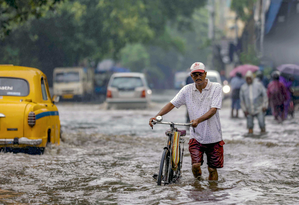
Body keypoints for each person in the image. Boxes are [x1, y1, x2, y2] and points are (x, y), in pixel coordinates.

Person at [149, 62, 224, 181]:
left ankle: (212, 193)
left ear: (205, 74)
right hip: (196, 136)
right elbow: (171, 104)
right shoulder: (187, 90)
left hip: (214, 137)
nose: (198, 77)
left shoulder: (216, 87)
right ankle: (198, 185)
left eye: (200, 74)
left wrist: (198, 120)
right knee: (195, 166)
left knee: (212, 169)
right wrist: (157, 116)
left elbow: (213, 110)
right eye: (195, 75)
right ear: (191, 76)